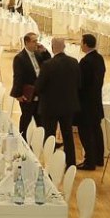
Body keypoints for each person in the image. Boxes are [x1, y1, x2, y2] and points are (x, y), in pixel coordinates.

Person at [36, 36, 80, 168]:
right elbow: (79, 83)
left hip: (50, 106)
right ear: (64, 47)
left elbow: (39, 86)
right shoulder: (74, 62)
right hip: (68, 105)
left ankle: (51, 162)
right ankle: (71, 162)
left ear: (53, 47)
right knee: (68, 135)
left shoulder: (48, 65)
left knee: (50, 134)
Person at [10, 33, 52, 135]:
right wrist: (18, 94)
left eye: (36, 41)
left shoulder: (38, 54)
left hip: (40, 92)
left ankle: (45, 141)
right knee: (26, 118)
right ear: (27, 42)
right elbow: (18, 77)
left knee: (41, 120)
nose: (36, 43)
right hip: (27, 94)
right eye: (34, 41)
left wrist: (45, 51)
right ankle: (23, 139)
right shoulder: (20, 58)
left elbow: (49, 62)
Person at [76, 33, 107, 170]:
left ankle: (89, 161)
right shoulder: (100, 58)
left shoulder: (85, 62)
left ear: (86, 44)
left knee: (85, 132)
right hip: (96, 100)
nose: (80, 45)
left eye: (81, 43)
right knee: (96, 130)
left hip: (86, 103)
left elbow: (80, 83)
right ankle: (99, 158)